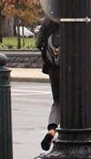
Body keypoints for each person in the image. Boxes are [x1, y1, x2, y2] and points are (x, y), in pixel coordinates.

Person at [36, 17, 60, 151]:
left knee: (57, 101)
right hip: (74, 68)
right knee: (76, 102)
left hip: (53, 68)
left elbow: (38, 43)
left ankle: (52, 130)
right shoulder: (78, 15)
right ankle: (75, 134)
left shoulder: (47, 21)